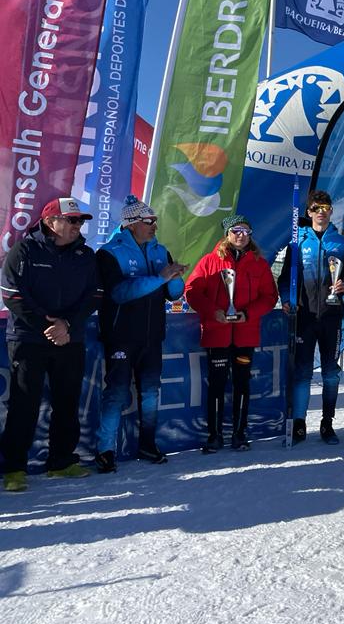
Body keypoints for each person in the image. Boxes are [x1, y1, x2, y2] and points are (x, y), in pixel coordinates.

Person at [1, 198, 101, 492]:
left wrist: (67, 325)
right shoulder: (25, 249)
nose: (77, 226)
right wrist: (49, 327)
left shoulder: (85, 254)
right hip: (28, 338)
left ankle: (61, 462)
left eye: (80, 221)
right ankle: (14, 468)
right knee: (24, 403)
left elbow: (95, 295)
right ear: (50, 222)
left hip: (70, 338)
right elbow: (11, 293)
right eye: (71, 220)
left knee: (67, 401)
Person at [95, 195, 188, 472]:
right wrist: (160, 278)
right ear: (132, 224)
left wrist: (176, 277)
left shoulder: (160, 250)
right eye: (149, 221)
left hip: (152, 335)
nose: (154, 226)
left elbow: (174, 295)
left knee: (150, 392)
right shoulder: (109, 253)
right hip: (121, 335)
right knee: (117, 393)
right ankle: (105, 450)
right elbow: (120, 293)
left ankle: (148, 443)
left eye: (156, 221)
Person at [185, 215, 278, 453]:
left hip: (245, 335)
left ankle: (239, 433)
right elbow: (192, 292)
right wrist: (213, 312)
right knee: (216, 384)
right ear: (227, 234)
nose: (241, 235)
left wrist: (249, 314)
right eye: (236, 230)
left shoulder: (259, 263)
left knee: (242, 383)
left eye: (246, 230)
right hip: (218, 333)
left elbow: (270, 297)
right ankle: (214, 436)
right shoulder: (210, 262)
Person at [279, 190, 344, 445]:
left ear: (331, 211)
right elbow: (285, 278)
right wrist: (287, 299)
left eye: (326, 207)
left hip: (332, 316)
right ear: (309, 213)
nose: (321, 212)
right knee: (302, 373)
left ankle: (327, 423)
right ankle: (299, 424)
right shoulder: (297, 242)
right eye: (316, 208)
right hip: (305, 317)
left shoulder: (340, 242)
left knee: (331, 373)